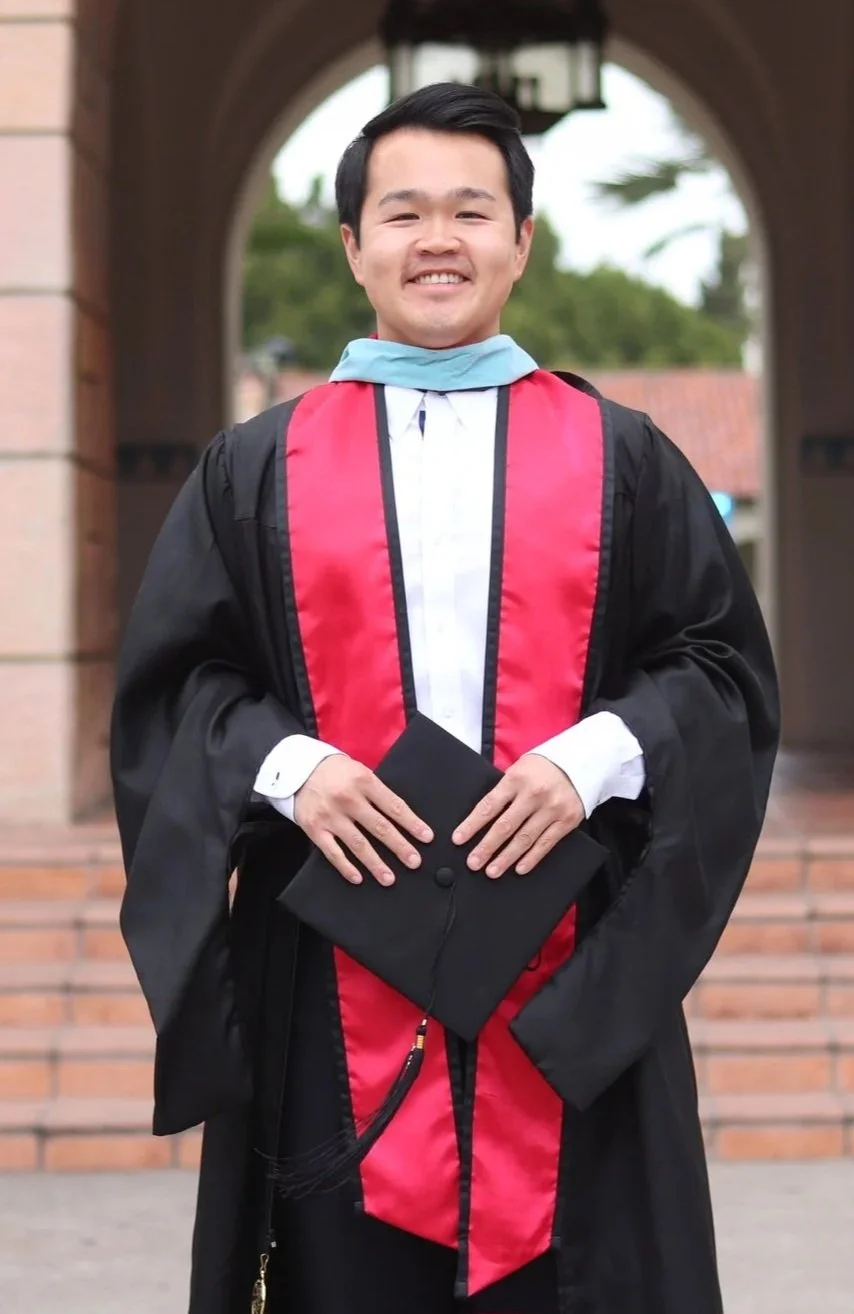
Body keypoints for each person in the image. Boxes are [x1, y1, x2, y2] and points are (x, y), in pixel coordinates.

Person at [111, 82, 780, 1314]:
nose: (438, 239)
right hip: (331, 974)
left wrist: (595, 756)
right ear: (354, 246)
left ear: (522, 243)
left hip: (570, 980)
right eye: (403, 211)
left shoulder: (625, 455)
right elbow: (178, 687)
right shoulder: (254, 468)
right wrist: (289, 769)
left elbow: (721, 672)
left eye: (472, 211)